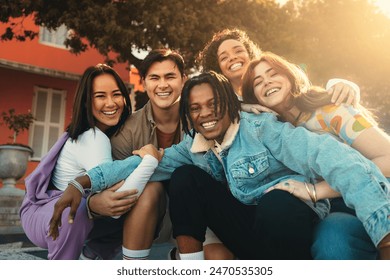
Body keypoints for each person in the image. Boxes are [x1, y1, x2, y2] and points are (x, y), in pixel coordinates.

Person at [49, 71, 390, 260]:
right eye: (196, 108)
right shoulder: (194, 146)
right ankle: (191, 268)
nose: (206, 113)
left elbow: (337, 159)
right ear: (189, 115)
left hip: (291, 231)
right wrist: (82, 184)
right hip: (251, 236)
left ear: (230, 103)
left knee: (274, 203)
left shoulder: (264, 128)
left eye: (213, 104)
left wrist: (384, 237)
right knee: (183, 177)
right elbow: (138, 164)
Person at [241, 51, 390, 259]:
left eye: (273, 73)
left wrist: (315, 190)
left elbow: (387, 159)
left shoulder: (330, 110)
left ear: (290, 76)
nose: (267, 82)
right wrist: (243, 107)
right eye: (257, 82)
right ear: (253, 96)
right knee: (332, 241)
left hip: (379, 194)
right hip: (337, 214)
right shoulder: (271, 136)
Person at [19, 64, 161, 260]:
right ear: (87, 102)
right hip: (51, 214)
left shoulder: (111, 134)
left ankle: (94, 254)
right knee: (82, 211)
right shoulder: (93, 137)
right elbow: (116, 197)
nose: (111, 103)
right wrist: (145, 160)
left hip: (57, 211)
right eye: (100, 96)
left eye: (116, 94)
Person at [80, 49, 186, 260]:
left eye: (170, 77)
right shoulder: (127, 130)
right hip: (142, 213)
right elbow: (114, 183)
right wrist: (91, 200)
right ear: (144, 83)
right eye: (154, 78)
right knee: (149, 187)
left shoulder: (199, 116)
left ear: (184, 80)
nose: (162, 85)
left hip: (192, 208)